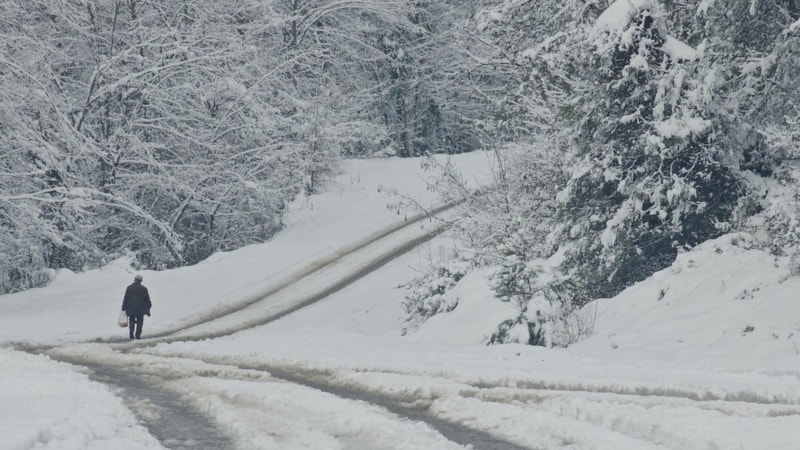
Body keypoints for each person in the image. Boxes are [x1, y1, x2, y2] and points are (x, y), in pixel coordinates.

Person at [121, 274, 152, 339]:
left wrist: (123, 307)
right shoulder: (144, 289)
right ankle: (138, 335)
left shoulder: (129, 288)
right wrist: (149, 305)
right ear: (141, 281)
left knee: (131, 320)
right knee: (140, 321)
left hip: (131, 308)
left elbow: (126, 298)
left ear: (135, 280)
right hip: (140, 309)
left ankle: (131, 334)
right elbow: (147, 299)